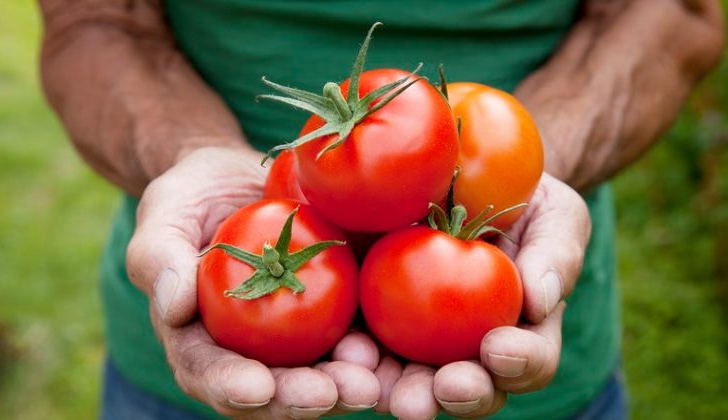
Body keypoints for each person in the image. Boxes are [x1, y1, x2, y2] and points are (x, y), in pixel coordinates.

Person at [38, 1, 723, 419]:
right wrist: (190, 153)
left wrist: (524, 179)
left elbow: (673, 11)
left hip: (540, 365)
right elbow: (91, 18)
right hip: (183, 359)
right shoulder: (310, 178)